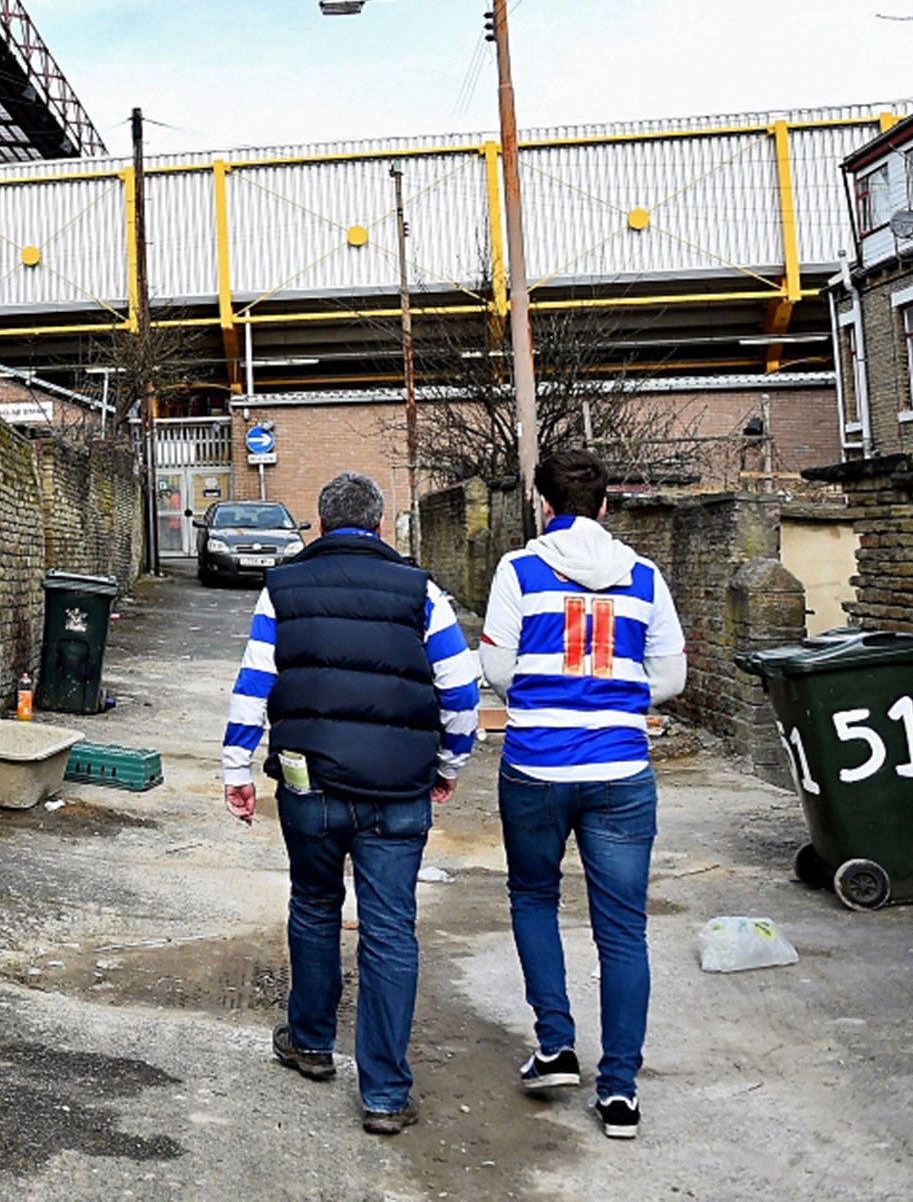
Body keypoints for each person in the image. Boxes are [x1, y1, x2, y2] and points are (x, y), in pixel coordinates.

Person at [222, 471, 480, 1136]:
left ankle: (310, 1042)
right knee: (390, 930)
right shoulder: (423, 591)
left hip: (310, 787)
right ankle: (386, 1094)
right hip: (397, 791)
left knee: (313, 904)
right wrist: (447, 764)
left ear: (321, 522)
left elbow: (254, 684)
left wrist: (237, 769)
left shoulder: (282, 588)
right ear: (381, 525)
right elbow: (461, 691)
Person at [479, 449, 686, 1141]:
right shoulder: (646, 576)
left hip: (536, 768)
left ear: (543, 505)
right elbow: (671, 676)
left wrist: (546, 694)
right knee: (623, 929)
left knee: (534, 897)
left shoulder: (520, 569)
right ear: (605, 504)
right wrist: (618, 696)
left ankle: (555, 1046)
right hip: (622, 772)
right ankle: (621, 1091)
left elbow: (497, 667)